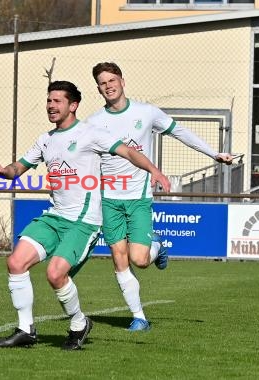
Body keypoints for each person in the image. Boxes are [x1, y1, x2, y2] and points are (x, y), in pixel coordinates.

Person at [0, 81, 170, 350]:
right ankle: (25, 329)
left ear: (73, 105)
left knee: (55, 273)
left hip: (84, 221)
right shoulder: (45, 139)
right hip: (55, 216)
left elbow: (129, 151)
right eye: (49, 100)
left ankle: (78, 323)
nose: (51, 105)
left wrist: (155, 170)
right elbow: (18, 168)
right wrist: (2, 171)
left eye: (57, 101)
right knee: (15, 262)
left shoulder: (90, 134)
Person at [85, 62, 233, 331]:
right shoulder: (93, 122)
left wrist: (214, 154)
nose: (108, 86)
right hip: (108, 198)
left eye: (112, 80)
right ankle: (139, 317)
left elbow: (181, 132)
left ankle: (157, 246)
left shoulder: (146, 112)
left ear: (122, 81)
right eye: (103, 83)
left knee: (139, 260)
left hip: (139, 196)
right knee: (119, 259)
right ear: (98, 89)